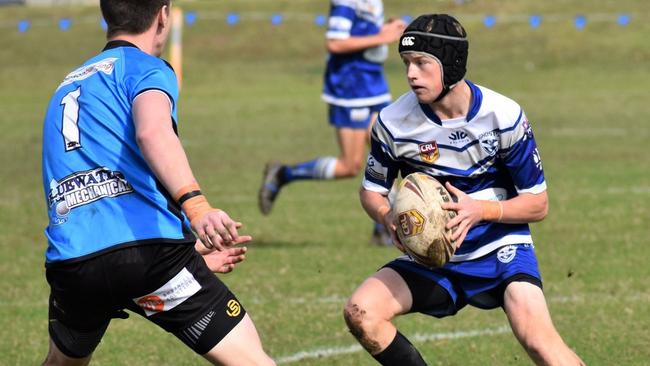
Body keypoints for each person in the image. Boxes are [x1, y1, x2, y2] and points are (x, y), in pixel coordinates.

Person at [40, 1, 275, 365]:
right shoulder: (146, 69)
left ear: (107, 15)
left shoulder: (67, 85)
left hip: (73, 263)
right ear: (163, 14)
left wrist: (190, 252)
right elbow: (153, 133)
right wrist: (197, 207)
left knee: (62, 362)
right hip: (148, 260)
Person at [343, 14, 585, 365]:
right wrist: (386, 216)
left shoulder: (503, 116)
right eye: (407, 63)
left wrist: (481, 211)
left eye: (422, 63)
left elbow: (538, 204)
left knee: (539, 342)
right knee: (361, 312)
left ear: (452, 64)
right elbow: (372, 191)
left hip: (500, 248)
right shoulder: (393, 124)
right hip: (432, 255)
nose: (411, 74)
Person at [258, 0, 406, 245]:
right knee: (350, 165)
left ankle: (382, 230)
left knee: (389, 152)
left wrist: (386, 29)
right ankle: (283, 174)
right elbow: (335, 42)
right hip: (351, 88)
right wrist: (382, 36)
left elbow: (365, 31)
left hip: (373, 85)